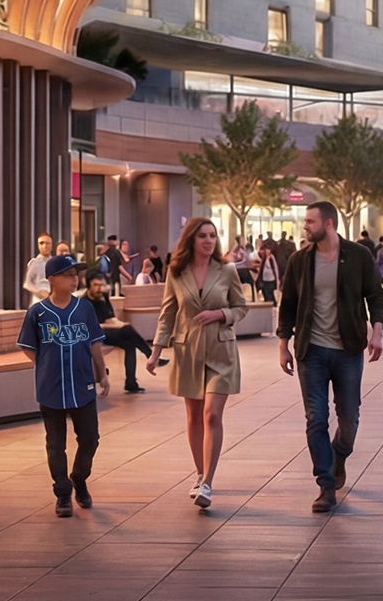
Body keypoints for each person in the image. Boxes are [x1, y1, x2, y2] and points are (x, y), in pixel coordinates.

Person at [277, 201, 383, 513]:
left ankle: (339, 455)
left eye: (310, 221)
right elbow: (288, 305)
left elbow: (375, 295)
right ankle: (325, 484)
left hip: (349, 349)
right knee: (316, 418)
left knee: (349, 418)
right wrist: (283, 344)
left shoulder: (358, 256)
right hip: (310, 351)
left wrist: (377, 331)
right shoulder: (300, 260)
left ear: (328, 224)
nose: (305, 226)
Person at [151, 217, 247, 509]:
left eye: (213, 236)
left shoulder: (228, 271)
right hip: (187, 351)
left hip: (221, 353)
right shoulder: (176, 272)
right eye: (203, 236)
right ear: (191, 239)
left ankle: (207, 484)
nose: (209, 241)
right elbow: (168, 313)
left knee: (211, 416)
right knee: (193, 418)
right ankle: (199, 473)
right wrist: (156, 351)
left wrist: (220, 314)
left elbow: (240, 307)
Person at [17, 253, 107, 518]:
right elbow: (28, 347)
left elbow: (95, 344)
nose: (74, 278)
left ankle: (79, 478)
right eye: (68, 275)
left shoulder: (85, 309)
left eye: (75, 274)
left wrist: (102, 374)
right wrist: (46, 366)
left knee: (90, 440)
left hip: (83, 385)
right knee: (55, 445)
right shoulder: (37, 312)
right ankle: (63, 493)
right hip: (51, 389)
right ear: (52, 280)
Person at [83, 272, 151, 395]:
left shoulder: (102, 298)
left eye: (102, 285)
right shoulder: (84, 303)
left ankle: (131, 383)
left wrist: (120, 324)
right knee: (127, 328)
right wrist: (120, 326)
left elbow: (110, 318)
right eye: (96, 285)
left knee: (129, 344)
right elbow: (91, 327)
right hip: (93, 335)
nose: (99, 288)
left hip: (106, 332)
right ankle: (151, 355)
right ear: (89, 285)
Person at [23, 233, 54, 303]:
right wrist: (41, 293)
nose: (45, 246)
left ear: (51, 245)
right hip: (38, 300)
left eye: (47, 243)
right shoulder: (34, 263)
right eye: (41, 243)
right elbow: (27, 283)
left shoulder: (55, 263)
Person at [256, 237, 280, 307]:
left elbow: (275, 268)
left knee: (270, 294)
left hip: (271, 278)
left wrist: (277, 279)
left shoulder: (271, 257)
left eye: (268, 249)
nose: (267, 251)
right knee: (266, 293)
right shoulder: (263, 257)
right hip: (265, 278)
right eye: (266, 249)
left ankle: (273, 305)